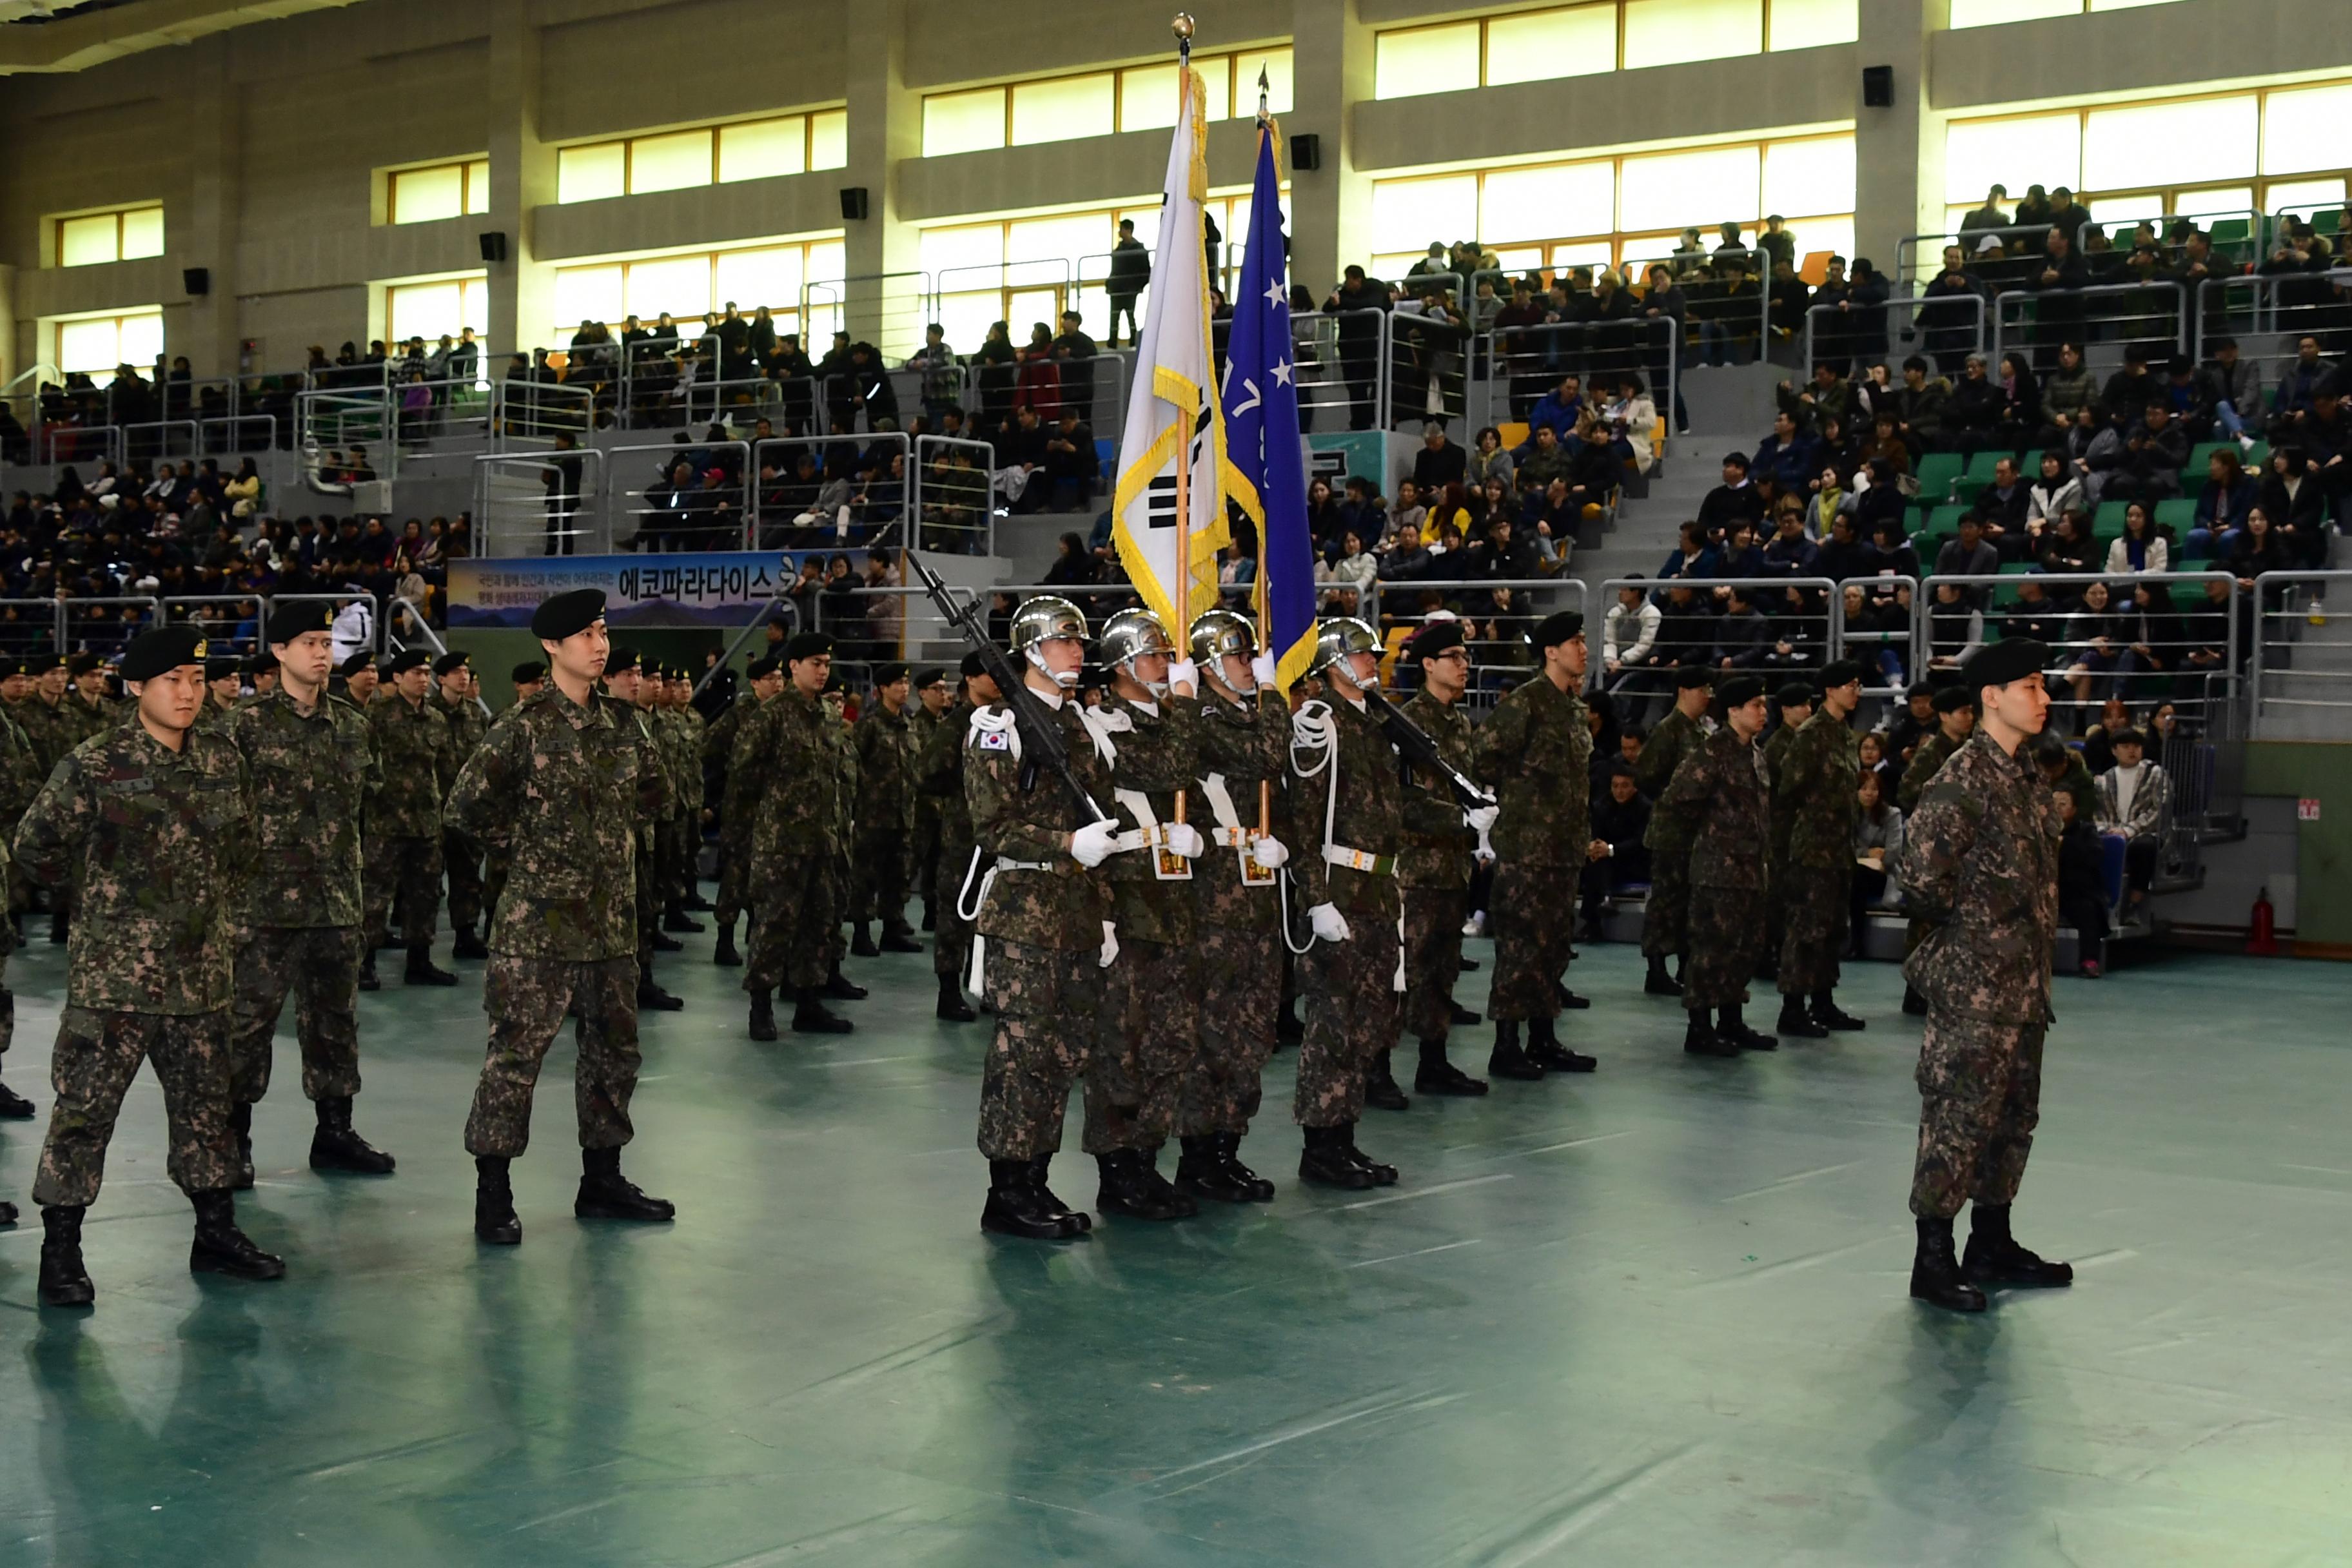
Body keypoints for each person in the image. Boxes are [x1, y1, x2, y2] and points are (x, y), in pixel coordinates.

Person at [15, 625, 283, 1308]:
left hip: (201, 977)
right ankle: (62, 1248)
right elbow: (36, 848)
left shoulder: (222, 761)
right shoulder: (96, 763)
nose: (188, 692)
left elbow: (246, 849)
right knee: (84, 1113)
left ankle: (215, 1232)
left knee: (206, 1111)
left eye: (196, 679)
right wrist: (101, 903)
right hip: (117, 982)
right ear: (136, 687)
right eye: (173, 680)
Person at [446, 589, 675, 1247]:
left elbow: (657, 795)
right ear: (552, 646)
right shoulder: (523, 725)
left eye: (604, 632)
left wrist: (602, 844)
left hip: (609, 927)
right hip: (537, 929)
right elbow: (465, 806)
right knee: (515, 1059)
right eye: (586, 635)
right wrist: (527, 852)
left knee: (614, 1056)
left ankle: (601, 1179)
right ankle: (494, 1191)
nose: (600, 645)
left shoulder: (626, 724)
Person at [1897, 636, 2071, 1314]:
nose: (2044, 696)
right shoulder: (1962, 779)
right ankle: (1932, 1256)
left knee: (2012, 1118)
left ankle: (1991, 1241)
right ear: (1991, 697)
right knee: (1958, 1119)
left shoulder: (2027, 775)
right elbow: (1917, 880)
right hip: (1974, 990)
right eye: (2031, 685)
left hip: (2024, 988)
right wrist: (1974, 930)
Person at [222, 602, 394, 1193]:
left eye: (327, 643)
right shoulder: (241, 727)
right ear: (278, 652)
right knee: (248, 1028)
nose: (323, 653)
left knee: (335, 1023)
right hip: (263, 907)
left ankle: (335, 1132)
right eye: (309, 643)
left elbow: (365, 803)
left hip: (335, 903)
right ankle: (232, 1141)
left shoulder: (351, 725)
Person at [964, 596, 1119, 1240]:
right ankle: (1007, 1190)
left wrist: (1104, 907)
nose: (1077, 652)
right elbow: (992, 825)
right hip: (1025, 914)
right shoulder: (997, 723)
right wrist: (1065, 847)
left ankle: (1037, 1175)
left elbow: (1100, 819)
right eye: (1063, 640)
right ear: (1030, 650)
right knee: (1022, 1055)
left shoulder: (1077, 723)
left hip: (1076, 911)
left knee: (1061, 1055)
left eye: (1080, 641)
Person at [1077, 610, 1210, 1221]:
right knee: (1120, 1047)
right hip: (1129, 907)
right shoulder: (1106, 725)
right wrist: (1185, 702)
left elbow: (1196, 789)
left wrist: (1203, 842)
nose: (1168, 667)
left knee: (1170, 1043)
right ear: (1126, 666)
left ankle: (1147, 1161)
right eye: (1158, 657)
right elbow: (1171, 769)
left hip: (1175, 905)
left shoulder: (1166, 724)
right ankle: (1116, 1170)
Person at [1289, 618, 1407, 1190]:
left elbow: (1389, 814)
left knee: (1365, 1024)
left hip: (1377, 890)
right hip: (1340, 889)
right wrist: (1316, 899)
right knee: (1333, 1025)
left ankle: (1344, 1137)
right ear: (1334, 663)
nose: (1374, 662)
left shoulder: (1375, 724)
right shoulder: (1320, 725)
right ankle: (1321, 1147)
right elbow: (1304, 823)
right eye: (1363, 655)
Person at [1177, 610, 1291, 1202]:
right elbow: (1270, 755)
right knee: (1213, 1034)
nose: (1251, 665)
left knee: (1251, 1034)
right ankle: (1198, 1154)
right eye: (1242, 656)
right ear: (1211, 664)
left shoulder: (1245, 715)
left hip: (1256, 898)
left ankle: (1228, 1148)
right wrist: (1274, 691)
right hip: (1215, 903)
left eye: (1254, 656)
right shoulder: (1201, 717)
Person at [1475, 609, 1599, 1079]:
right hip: (1527, 850)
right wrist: (1517, 798)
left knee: (1553, 946)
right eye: (1575, 642)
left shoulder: (1572, 707)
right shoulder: (1525, 704)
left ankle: (1543, 1038)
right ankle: (1506, 1044)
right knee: (1520, 948)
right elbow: (1483, 757)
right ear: (1552, 651)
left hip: (1563, 851)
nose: (1583, 650)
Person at [742, 632, 858, 1039]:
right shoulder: (772, 714)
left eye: (826, 664)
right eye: (814, 663)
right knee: (773, 926)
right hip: (781, 844)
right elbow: (744, 775)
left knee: (818, 924)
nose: (823, 671)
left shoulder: (829, 715)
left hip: (822, 842)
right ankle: (761, 1006)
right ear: (793, 667)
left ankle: (808, 1004)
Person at [1656, 674, 1772, 1057]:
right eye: (1756, 705)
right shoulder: (1711, 753)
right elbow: (1678, 801)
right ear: (1734, 711)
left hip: (1751, 871)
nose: (1763, 712)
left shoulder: (1755, 752)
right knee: (1711, 951)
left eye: (1763, 705)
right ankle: (1700, 1027)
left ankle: (1731, 1021)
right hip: (1718, 873)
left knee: (1743, 949)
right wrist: (1704, 844)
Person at [1395, 622, 1489, 1095]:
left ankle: (1433, 1062)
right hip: (1416, 869)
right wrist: (1462, 821)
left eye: (1466, 656)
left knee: (1441, 971)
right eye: (1453, 656)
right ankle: (1375, 1068)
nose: (1463, 664)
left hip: (1452, 867)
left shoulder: (1459, 722)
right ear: (1428, 664)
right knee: (1403, 974)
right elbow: (1402, 802)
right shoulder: (1408, 723)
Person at [1773, 660, 1867, 1038]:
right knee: (1806, 930)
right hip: (1813, 848)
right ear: (1830, 690)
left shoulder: (1844, 734)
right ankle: (1793, 1007)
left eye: (1858, 685)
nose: (1856, 691)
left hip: (1838, 848)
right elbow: (1789, 790)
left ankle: (1823, 1002)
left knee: (1831, 929)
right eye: (1851, 685)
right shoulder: (1811, 735)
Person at [364, 649, 456, 988]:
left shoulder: (435, 719)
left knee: (425, 895)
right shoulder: (377, 716)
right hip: (386, 822)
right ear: (399, 678)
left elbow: (445, 769)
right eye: (415, 672)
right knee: (376, 896)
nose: (423, 679)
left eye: (426, 673)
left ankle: (419, 962)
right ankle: (365, 963)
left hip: (426, 824)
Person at [918, 653, 994, 1022]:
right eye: (988, 674)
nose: (997, 680)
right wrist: (965, 792)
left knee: (996, 913)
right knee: (954, 914)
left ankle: (986, 985)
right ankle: (948, 991)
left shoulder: (1007, 720)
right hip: (964, 835)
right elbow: (928, 773)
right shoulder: (956, 725)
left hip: (999, 834)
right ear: (970, 680)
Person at [1634, 667, 1714, 995]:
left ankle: (1684, 964)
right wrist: (1671, 800)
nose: (1708, 696)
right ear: (1684, 691)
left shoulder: (1698, 732)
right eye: (1702, 689)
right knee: (1666, 902)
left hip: (1694, 834)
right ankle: (1656, 968)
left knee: (1690, 903)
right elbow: (1645, 776)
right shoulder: (1668, 731)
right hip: (1670, 833)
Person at [708, 655, 783, 968]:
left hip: (773, 813)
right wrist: (717, 797)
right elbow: (710, 750)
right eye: (771, 679)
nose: (778, 684)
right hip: (742, 813)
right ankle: (724, 940)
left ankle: (757, 934)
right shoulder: (739, 716)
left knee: (766, 878)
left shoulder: (781, 714)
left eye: (780, 678)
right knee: (736, 878)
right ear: (755, 684)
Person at [850, 661, 923, 957]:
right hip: (872, 816)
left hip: (902, 815)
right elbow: (853, 766)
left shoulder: (908, 725)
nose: (904, 689)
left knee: (898, 875)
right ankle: (861, 932)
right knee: (865, 877)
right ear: (882, 690)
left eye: (906, 683)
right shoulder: (869, 725)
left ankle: (893, 929)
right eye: (898, 684)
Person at [430, 652, 490, 959]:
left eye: (465, 671)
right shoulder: (428, 714)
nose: (463, 677)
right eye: (455, 672)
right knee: (428, 880)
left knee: (467, 876)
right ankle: (420, 950)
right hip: (431, 810)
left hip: (466, 811)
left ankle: (465, 935)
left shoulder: (476, 716)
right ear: (441, 679)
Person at [2092, 727, 2169, 921]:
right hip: (2112, 832)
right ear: (2114, 750)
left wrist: (2129, 830)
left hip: (2146, 833)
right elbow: (2098, 813)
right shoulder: (2103, 780)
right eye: (2125, 746)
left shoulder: (2156, 774)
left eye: (2136, 746)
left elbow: (2160, 810)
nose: (2132, 750)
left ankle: (2134, 905)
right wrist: (2107, 830)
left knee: (2145, 848)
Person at [1106, 218, 1150, 348]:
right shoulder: (1119, 250)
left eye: (1122, 229)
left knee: (1130, 314)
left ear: (1128, 230)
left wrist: (1138, 285)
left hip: (1130, 287)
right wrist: (1109, 284)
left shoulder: (1137, 250)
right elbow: (1114, 270)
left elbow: (1145, 271)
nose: (1120, 232)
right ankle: (1113, 341)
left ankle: (1133, 340)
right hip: (1118, 287)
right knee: (1115, 316)